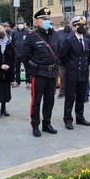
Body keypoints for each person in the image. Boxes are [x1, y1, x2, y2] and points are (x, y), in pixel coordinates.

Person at [22, 7, 59, 137]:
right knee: (36, 101)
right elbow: (24, 56)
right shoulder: (32, 37)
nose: (46, 21)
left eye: (48, 19)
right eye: (43, 19)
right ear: (37, 21)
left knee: (49, 101)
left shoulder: (55, 35)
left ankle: (47, 124)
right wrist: (31, 71)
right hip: (39, 74)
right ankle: (35, 125)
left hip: (52, 73)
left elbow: (58, 53)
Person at [59, 16, 90, 130]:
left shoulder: (87, 40)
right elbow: (62, 55)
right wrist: (69, 65)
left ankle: (80, 117)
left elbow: (89, 56)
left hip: (83, 72)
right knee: (69, 97)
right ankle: (68, 119)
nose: (82, 27)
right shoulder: (69, 40)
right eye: (79, 25)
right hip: (72, 73)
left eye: (83, 25)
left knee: (81, 97)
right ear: (74, 27)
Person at [10, 17, 30, 88]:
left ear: (24, 24)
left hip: (25, 54)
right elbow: (11, 42)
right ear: (16, 24)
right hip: (16, 53)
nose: (20, 25)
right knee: (16, 68)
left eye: (21, 23)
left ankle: (28, 82)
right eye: (19, 23)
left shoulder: (27, 32)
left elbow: (30, 43)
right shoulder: (14, 32)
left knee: (27, 68)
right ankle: (17, 81)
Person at [55, 21, 72, 99]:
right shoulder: (59, 33)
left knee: (71, 77)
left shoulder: (73, 33)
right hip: (61, 60)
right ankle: (62, 91)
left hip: (71, 59)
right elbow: (56, 46)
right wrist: (57, 58)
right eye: (65, 24)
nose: (67, 26)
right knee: (62, 76)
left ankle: (70, 92)